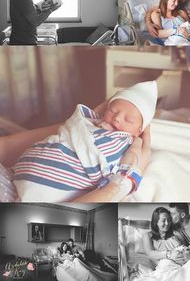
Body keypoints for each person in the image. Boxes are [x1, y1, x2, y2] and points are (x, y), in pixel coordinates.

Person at [11, 81, 157, 202]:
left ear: (139, 131)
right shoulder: (92, 122)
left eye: (128, 119)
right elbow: (72, 129)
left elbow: (128, 164)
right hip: (26, 168)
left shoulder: (128, 143)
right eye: (113, 110)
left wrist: (131, 171)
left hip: (43, 186)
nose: (117, 118)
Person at [138, 207, 190, 281]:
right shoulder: (148, 236)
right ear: (156, 222)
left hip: (183, 264)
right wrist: (169, 254)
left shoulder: (176, 233)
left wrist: (187, 252)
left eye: (169, 220)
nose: (167, 223)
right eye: (163, 221)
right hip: (166, 265)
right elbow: (150, 253)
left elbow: (185, 247)